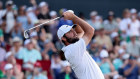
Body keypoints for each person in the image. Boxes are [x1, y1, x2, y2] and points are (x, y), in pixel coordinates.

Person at [57, 11, 104, 79]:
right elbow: (90, 30)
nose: (74, 32)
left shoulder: (71, 46)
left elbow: (80, 32)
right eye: (70, 31)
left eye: (73, 29)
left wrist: (72, 18)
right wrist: (73, 17)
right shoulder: (73, 49)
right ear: (63, 38)